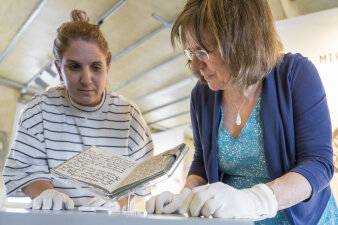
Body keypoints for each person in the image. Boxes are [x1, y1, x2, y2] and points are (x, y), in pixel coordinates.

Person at [146, 0, 337, 224]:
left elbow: (319, 163)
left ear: (241, 42)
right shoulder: (202, 95)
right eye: (190, 52)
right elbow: (201, 161)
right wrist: (185, 195)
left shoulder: (295, 75)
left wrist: (257, 200)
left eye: (203, 52)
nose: (195, 66)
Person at [3, 9, 153, 210]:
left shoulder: (129, 117)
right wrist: (48, 193)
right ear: (59, 69)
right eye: (74, 67)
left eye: (95, 67)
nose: (86, 79)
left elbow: (141, 184)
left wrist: (114, 206)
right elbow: (24, 170)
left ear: (107, 67)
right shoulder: (39, 110)